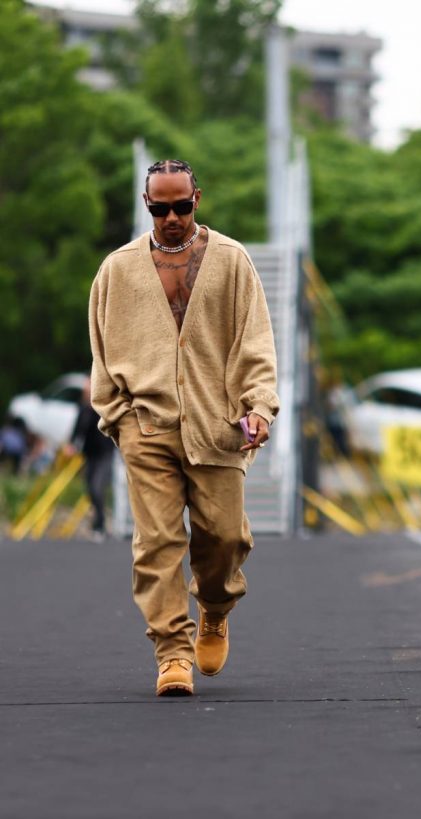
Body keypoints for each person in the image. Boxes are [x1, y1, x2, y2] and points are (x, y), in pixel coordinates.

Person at [89, 159, 279, 697]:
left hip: (217, 423)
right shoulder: (117, 269)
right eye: (159, 207)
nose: (171, 217)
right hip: (145, 424)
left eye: (181, 205)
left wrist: (259, 406)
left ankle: (215, 608)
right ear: (146, 204)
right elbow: (101, 351)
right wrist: (118, 416)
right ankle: (172, 654)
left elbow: (256, 342)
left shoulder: (232, 260)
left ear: (198, 197)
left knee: (224, 539)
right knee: (156, 542)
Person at [65, 377, 114, 541]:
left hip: (105, 453)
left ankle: (99, 525)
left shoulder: (103, 407)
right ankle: (97, 522)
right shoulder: (83, 409)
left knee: (97, 487)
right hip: (89, 454)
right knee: (89, 488)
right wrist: (71, 445)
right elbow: (77, 430)